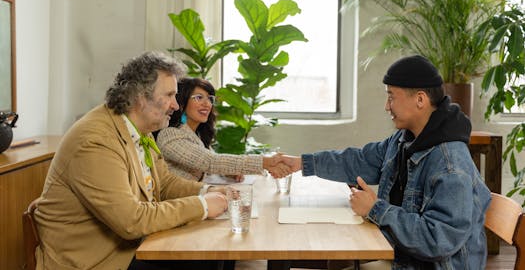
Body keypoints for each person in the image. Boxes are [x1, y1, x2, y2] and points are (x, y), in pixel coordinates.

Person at [282, 55, 491, 269]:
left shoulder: (451, 166)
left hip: (430, 264)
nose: (386, 106)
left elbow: (438, 240)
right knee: (338, 258)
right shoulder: (405, 139)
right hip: (405, 254)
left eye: (391, 97)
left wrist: (375, 208)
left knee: (339, 257)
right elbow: (360, 160)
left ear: (420, 99)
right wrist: (302, 163)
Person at [34, 52, 229, 270]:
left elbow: (164, 184)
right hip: (96, 261)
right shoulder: (95, 141)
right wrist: (202, 206)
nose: (176, 105)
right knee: (203, 258)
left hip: (129, 246)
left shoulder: (139, 130)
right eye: (170, 95)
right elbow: (131, 221)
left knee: (215, 251)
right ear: (140, 97)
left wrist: (209, 190)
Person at [156, 77, 290, 182]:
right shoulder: (170, 135)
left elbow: (210, 163)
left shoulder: (197, 135)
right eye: (198, 98)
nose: (207, 103)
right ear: (182, 102)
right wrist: (266, 162)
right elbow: (209, 162)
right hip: (176, 208)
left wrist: (228, 172)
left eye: (210, 99)